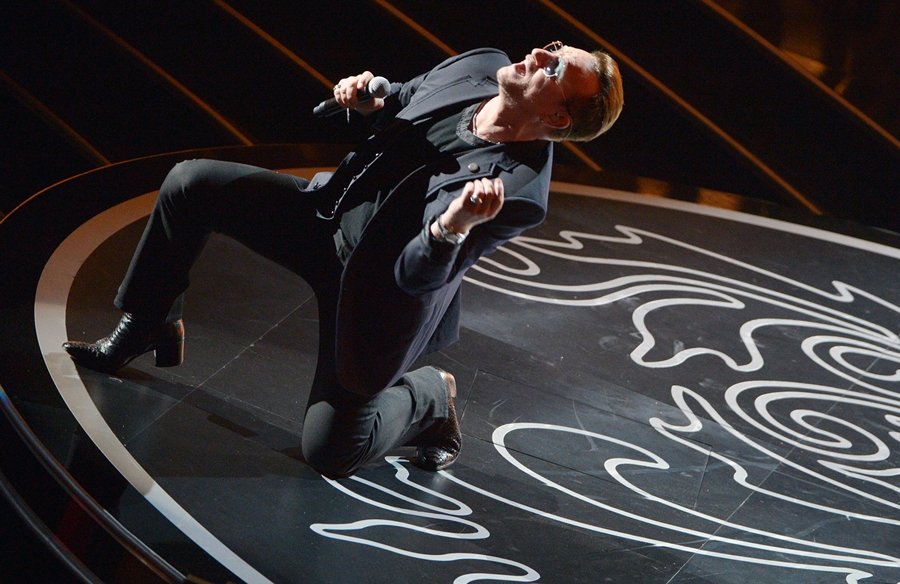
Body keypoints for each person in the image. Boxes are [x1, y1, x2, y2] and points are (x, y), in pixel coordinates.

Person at [64, 43, 623, 477]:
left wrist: (451, 227)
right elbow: (408, 97)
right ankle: (149, 322)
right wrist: (372, 99)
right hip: (327, 216)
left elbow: (418, 276)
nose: (540, 55)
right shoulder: (482, 63)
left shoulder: (517, 188)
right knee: (190, 184)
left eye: (554, 71)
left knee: (330, 451)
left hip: (379, 290)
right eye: (554, 47)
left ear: (555, 119)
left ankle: (431, 397)